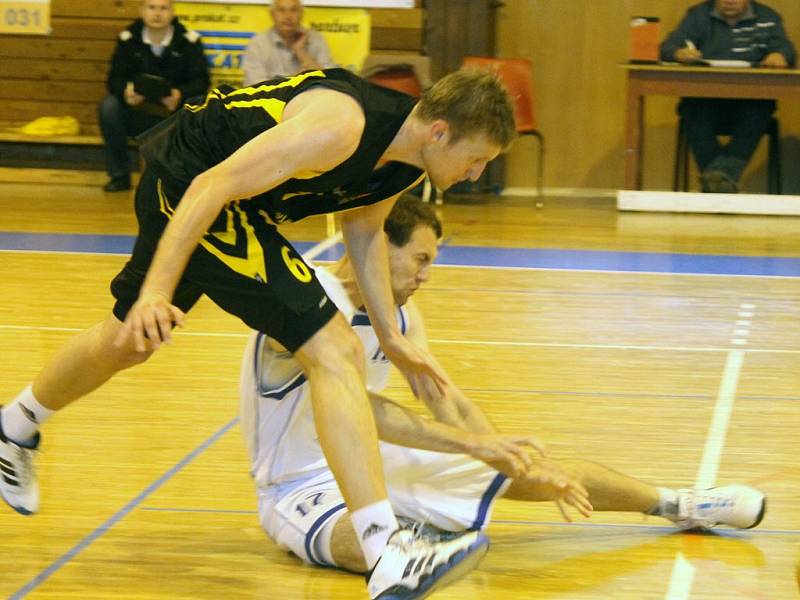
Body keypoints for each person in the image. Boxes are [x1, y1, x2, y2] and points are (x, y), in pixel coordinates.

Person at [0, 67, 517, 598]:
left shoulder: (405, 164)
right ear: (439, 133)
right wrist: (159, 288)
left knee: (130, 339)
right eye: (475, 158)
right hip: (195, 186)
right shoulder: (340, 126)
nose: (476, 174)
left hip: (240, 206)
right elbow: (211, 184)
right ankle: (385, 550)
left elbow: (362, 229)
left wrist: (392, 336)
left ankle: (14, 424)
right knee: (335, 349)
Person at [240, 195, 767, 582]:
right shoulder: (303, 300)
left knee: (534, 465)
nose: (427, 274)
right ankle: (405, 542)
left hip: (376, 461)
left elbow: (442, 396)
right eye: (421, 259)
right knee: (369, 546)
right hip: (298, 483)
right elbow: (363, 409)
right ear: (379, 246)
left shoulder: (399, 316)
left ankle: (681, 503)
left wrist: (502, 454)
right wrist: (470, 445)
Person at [659, 0, 795, 193]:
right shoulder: (698, 15)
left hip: (751, 100)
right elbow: (667, 48)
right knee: (692, 109)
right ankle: (723, 180)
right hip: (705, 99)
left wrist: (779, 55)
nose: (730, 1)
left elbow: (786, 49)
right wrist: (679, 53)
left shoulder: (767, 17)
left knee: (760, 110)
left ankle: (717, 180)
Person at [99, 0, 211, 192]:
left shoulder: (189, 41)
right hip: (136, 109)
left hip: (172, 112)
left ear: (172, 12)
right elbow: (114, 79)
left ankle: (181, 180)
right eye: (152, 7)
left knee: (199, 108)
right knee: (109, 107)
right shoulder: (128, 39)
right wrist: (126, 92)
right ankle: (119, 176)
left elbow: (201, 81)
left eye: (163, 8)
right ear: (141, 10)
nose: (157, 13)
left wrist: (180, 94)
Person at [243, 0, 336, 86]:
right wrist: (296, 80)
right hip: (272, 102)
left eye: (293, 10)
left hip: (310, 101)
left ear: (301, 14)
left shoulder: (316, 40)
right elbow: (255, 88)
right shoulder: (258, 44)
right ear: (272, 14)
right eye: (281, 10)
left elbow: (332, 82)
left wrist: (302, 52)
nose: (288, 16)